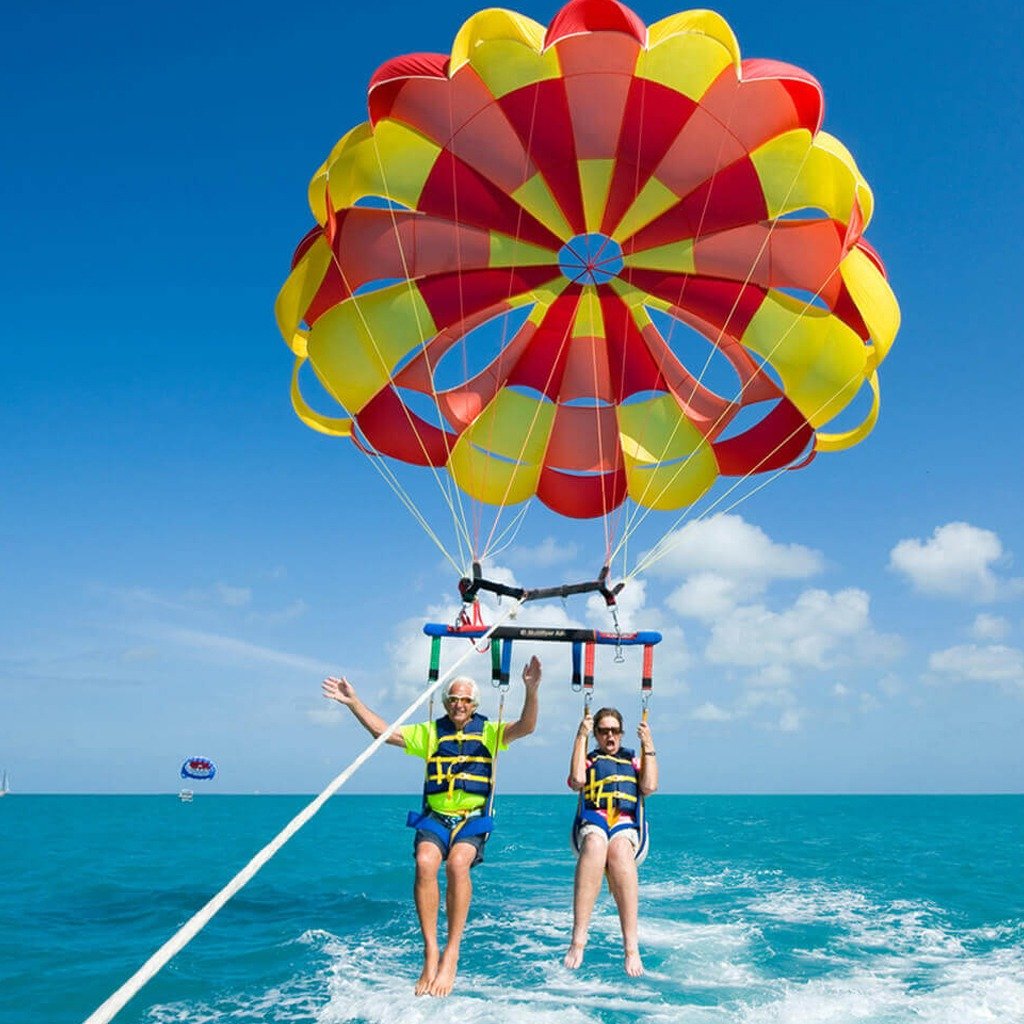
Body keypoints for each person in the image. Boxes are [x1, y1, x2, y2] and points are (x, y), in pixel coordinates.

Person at [322, 656, 542, 997]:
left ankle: (452, 951)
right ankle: (431, 951)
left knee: (456, 864)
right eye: (453, 698)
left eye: (465, 700)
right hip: (435, 816)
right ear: (446, 703)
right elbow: (383, 733)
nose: (459, 704)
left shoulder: (490, 730)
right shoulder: (430, 732)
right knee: (425, 862)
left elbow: (526, 726)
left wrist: (531, 689)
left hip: (472, 818)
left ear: (474, 705)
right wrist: (354, 702)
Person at [564, 705, 658, 976]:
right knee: (595, 844)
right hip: (593, 822)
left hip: (626, 825)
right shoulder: (590, 759)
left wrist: (648, 744)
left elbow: (650, 787)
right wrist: (580, 737)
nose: (610, 737)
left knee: (618, 849)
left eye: (615, 731)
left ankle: (631, 947)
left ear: (622, 733)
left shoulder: (634, 760)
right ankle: (578, 939)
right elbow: (577, 781)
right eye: (603, 732)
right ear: (596, 734)